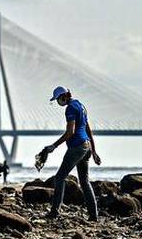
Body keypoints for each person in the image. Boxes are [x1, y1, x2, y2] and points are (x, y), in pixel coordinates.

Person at [43, 86, 100, 221]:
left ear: (64, 97)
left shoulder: (70, 109)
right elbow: (87, 128)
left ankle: (55, 212)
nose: (58, 102)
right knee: (84, 182)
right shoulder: (80, 105)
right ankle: (94, 216)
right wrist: (93, 150)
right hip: (86, 146)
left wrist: (54, 146)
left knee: (59, 177)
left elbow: (70, 132)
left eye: (58, 99)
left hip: (77, 147)